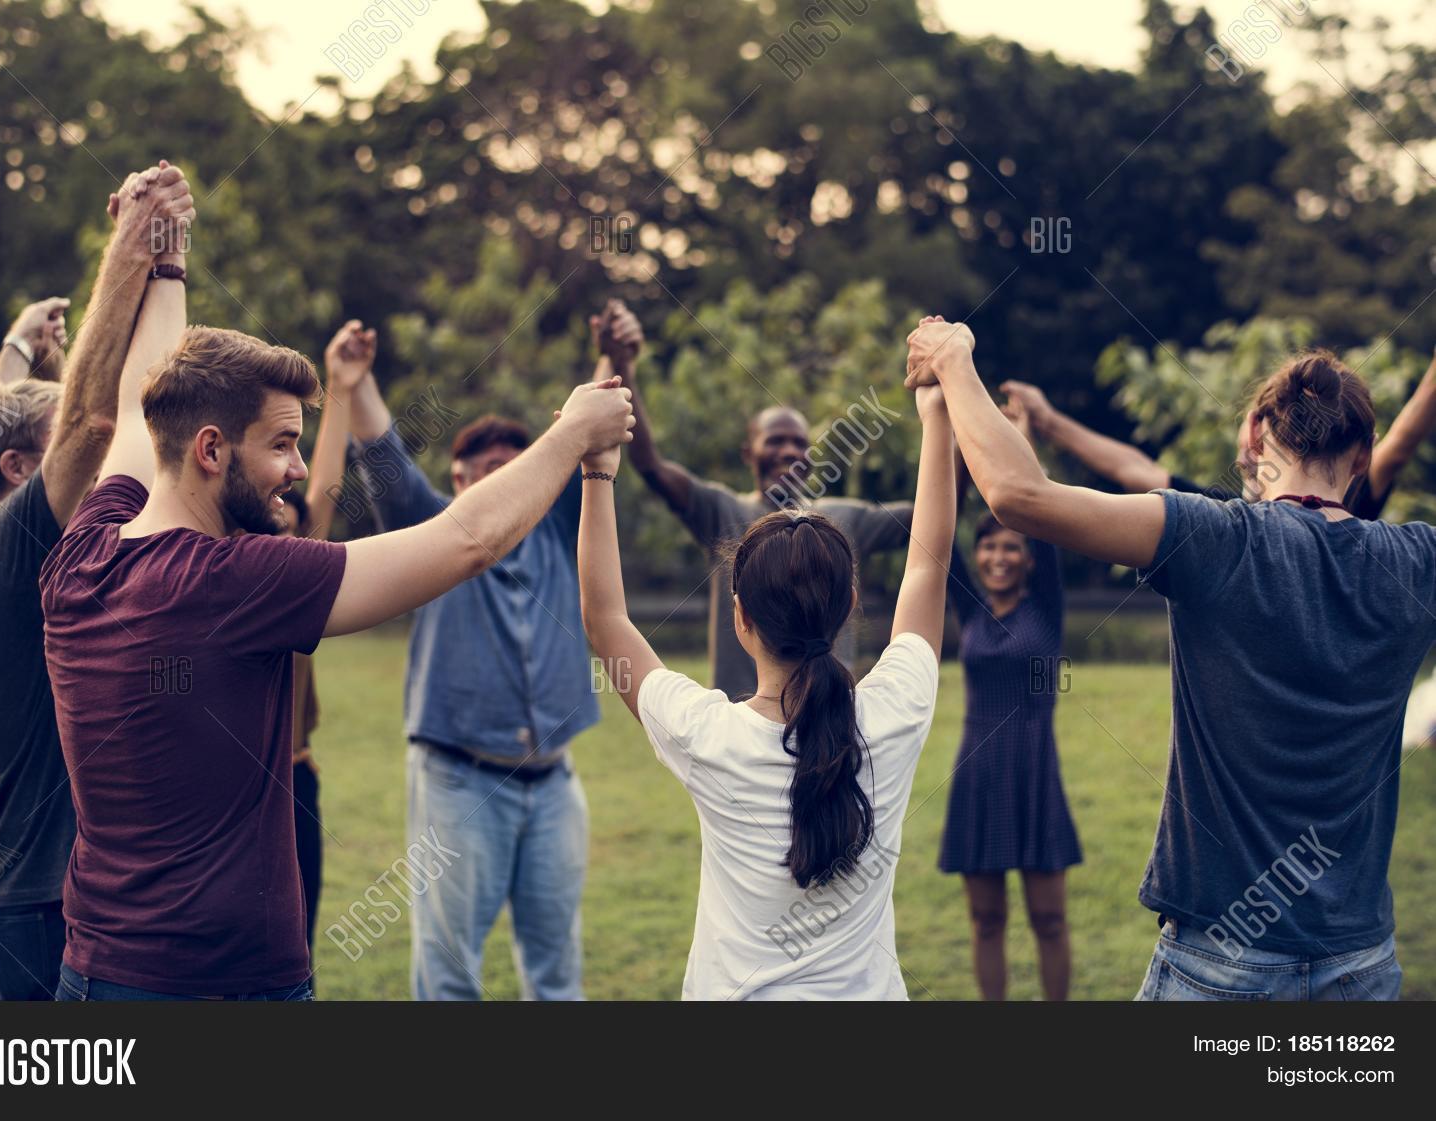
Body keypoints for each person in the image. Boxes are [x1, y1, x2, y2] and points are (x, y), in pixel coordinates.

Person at [40, 208, 635, 1000]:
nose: (296, 467)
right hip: (222, 983)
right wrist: (572, 432)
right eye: (282, 443)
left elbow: (136, 394)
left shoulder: (84, 550)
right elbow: (465, 541)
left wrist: (169, 260)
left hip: (95, 971)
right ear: (213, 450)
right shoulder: (236, 582)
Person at [907, 317, 1432, 1001]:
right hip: (1362, 962)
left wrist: (953, 357)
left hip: (1220, 961)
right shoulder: (1417, 561)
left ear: (1252, 439)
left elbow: (1018, 495)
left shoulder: (1215, 538)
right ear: (1361, 457)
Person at [581, 353, 955, 1000]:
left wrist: (595, 468)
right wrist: (938, 411)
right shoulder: (895, 713)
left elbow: (605, 618)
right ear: (849, 608)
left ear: (740, 617)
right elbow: (930, 561)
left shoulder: (705, 733)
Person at [0, 163, 195, 1001]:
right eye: (54, 464)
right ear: (19, 469)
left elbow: (17, 413)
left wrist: (20, 346)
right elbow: (90, 418)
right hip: (45, 902)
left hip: (24, 891)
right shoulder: (3, 553)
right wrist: (134, 247)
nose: (98, 468)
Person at [344, 357, 597, 1001]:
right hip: (461, 784)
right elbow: (386, 466)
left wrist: (615, 359)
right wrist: (358, 379)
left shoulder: (558, 530)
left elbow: (585, 427)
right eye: (493, 475)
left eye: (523, 473)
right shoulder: (436, 534)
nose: (513, 487)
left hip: (555, 786)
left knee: (558, 973)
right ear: (460, 483)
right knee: (451, 976)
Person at [597, 300, 913, 700]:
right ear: (749, 452)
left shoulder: (842, 520)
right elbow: (651, 466)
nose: (788, 451)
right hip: (741, 717)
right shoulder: (722, 511)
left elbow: (928, 520)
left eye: (799, 444)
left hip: (828, 715)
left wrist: (961, 425)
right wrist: (622, 366)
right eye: (776, 440)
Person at [939, 400, 1080, 1002]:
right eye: (989, 547)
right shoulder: (969, 609)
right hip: (978, 770)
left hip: (1033, 769)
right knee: (986, 920)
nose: (999, 556)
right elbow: (937, 535)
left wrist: (1020, 438)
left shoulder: (1045, 606)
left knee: (1049, 919)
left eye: (1011, 548)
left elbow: (1040, 512)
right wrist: (949, 441)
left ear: (1027, 558)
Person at [1000, 346, 1436, 517]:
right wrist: (1049, 420)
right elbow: (1132, 469)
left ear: (1257, 433)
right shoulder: (1219, 511)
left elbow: (1399, 446)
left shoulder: (1210, 526)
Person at [277, 319, 377, 965]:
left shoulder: (289, 572)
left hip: (295, 779)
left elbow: (326, 488)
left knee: (295, 948)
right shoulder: (227, 572)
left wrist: (339, 387)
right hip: (230, 790)